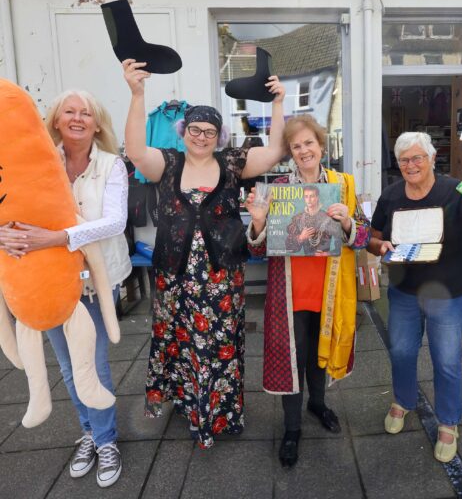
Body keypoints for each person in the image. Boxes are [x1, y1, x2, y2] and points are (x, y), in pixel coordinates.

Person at [122, 58, 285, 449]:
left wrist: (278, 103)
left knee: (219, 345)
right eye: (195, 129)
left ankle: (221, 412)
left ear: (219, 135)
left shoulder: (231, 163)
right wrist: (137, 93)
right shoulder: (168, 162)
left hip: (221, 276)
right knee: (180, 341)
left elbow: (277, 152)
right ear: (183, 131)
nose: (201, 136)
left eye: (209, 131)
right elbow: (133, 150)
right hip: (175, 275)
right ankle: (190, 405)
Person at [0, 89, 131, 488]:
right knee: (68, 369)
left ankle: (106, 441)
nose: (77, 118)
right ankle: (89, 433)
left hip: (91, 283)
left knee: (95, 365)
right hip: (45, 285)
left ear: (97, 123)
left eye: (86, 113)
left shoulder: (112, 165)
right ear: (55, 120)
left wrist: (54, 238)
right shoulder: (31, 160)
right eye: (69, 112)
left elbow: (114, 222)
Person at [368, 131, 462, 463]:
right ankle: (404, 400)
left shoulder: (454, 191)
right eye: (404, 160)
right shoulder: (390, 197)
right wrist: (381, 247)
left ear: (433, 158)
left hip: (449, 293)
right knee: (402, 352)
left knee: (446, 359)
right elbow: (372, 239)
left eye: (418, 157)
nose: (411, 165)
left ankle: (448, 422)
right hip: (405, 292)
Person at [245, 114, 370, 468]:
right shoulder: (279, 189)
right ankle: (292, 428)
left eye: (309, 143)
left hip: (330, 291)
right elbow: (257, 250)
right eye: (296, 146)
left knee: (320, 352)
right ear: (290, 152)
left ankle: (318, 404)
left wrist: (347, 221)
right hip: (290, 293)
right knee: (293, 358)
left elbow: (362, 237)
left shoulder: (343, 185)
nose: (304, 151)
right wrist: (257, 222)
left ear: (321, 145)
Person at [285, 185, 342, 255]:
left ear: (317, 197)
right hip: (305, 262)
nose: (308, 200)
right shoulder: (298, 218)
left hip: (326, 260)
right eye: (306, 196)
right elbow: (289, 248)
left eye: (311, 196)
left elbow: (341, 246)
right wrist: (300, 237)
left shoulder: (328, 218)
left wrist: (327, 254)